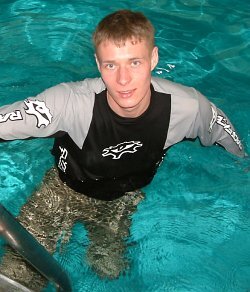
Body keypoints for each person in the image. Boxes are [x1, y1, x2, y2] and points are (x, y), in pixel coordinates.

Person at [0, 9, 246, 290]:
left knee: (109, 273)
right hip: (59, 192)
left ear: (153, 58)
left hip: (121, 201)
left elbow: (230, 141)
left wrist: (242, 168)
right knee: (16, 276)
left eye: (135, 63)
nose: (123, 80)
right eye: (111, 65)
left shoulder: (187, 109)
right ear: (97, 64)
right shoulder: (69, 104)